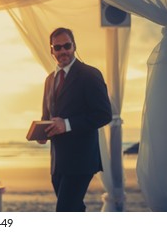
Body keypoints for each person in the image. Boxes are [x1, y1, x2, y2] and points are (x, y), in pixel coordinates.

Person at [39, 27, 112, 211]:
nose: (63, 51)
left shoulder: (90, 74)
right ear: (51, 50)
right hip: (57, 161)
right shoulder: (49, 79)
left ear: (74, 46)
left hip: (81, 159)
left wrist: (67, 124)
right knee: (74, 209)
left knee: (65, 210)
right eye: (57, 47)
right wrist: (41, 133)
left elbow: (104, 114)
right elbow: (47, 115)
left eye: (67, 45)